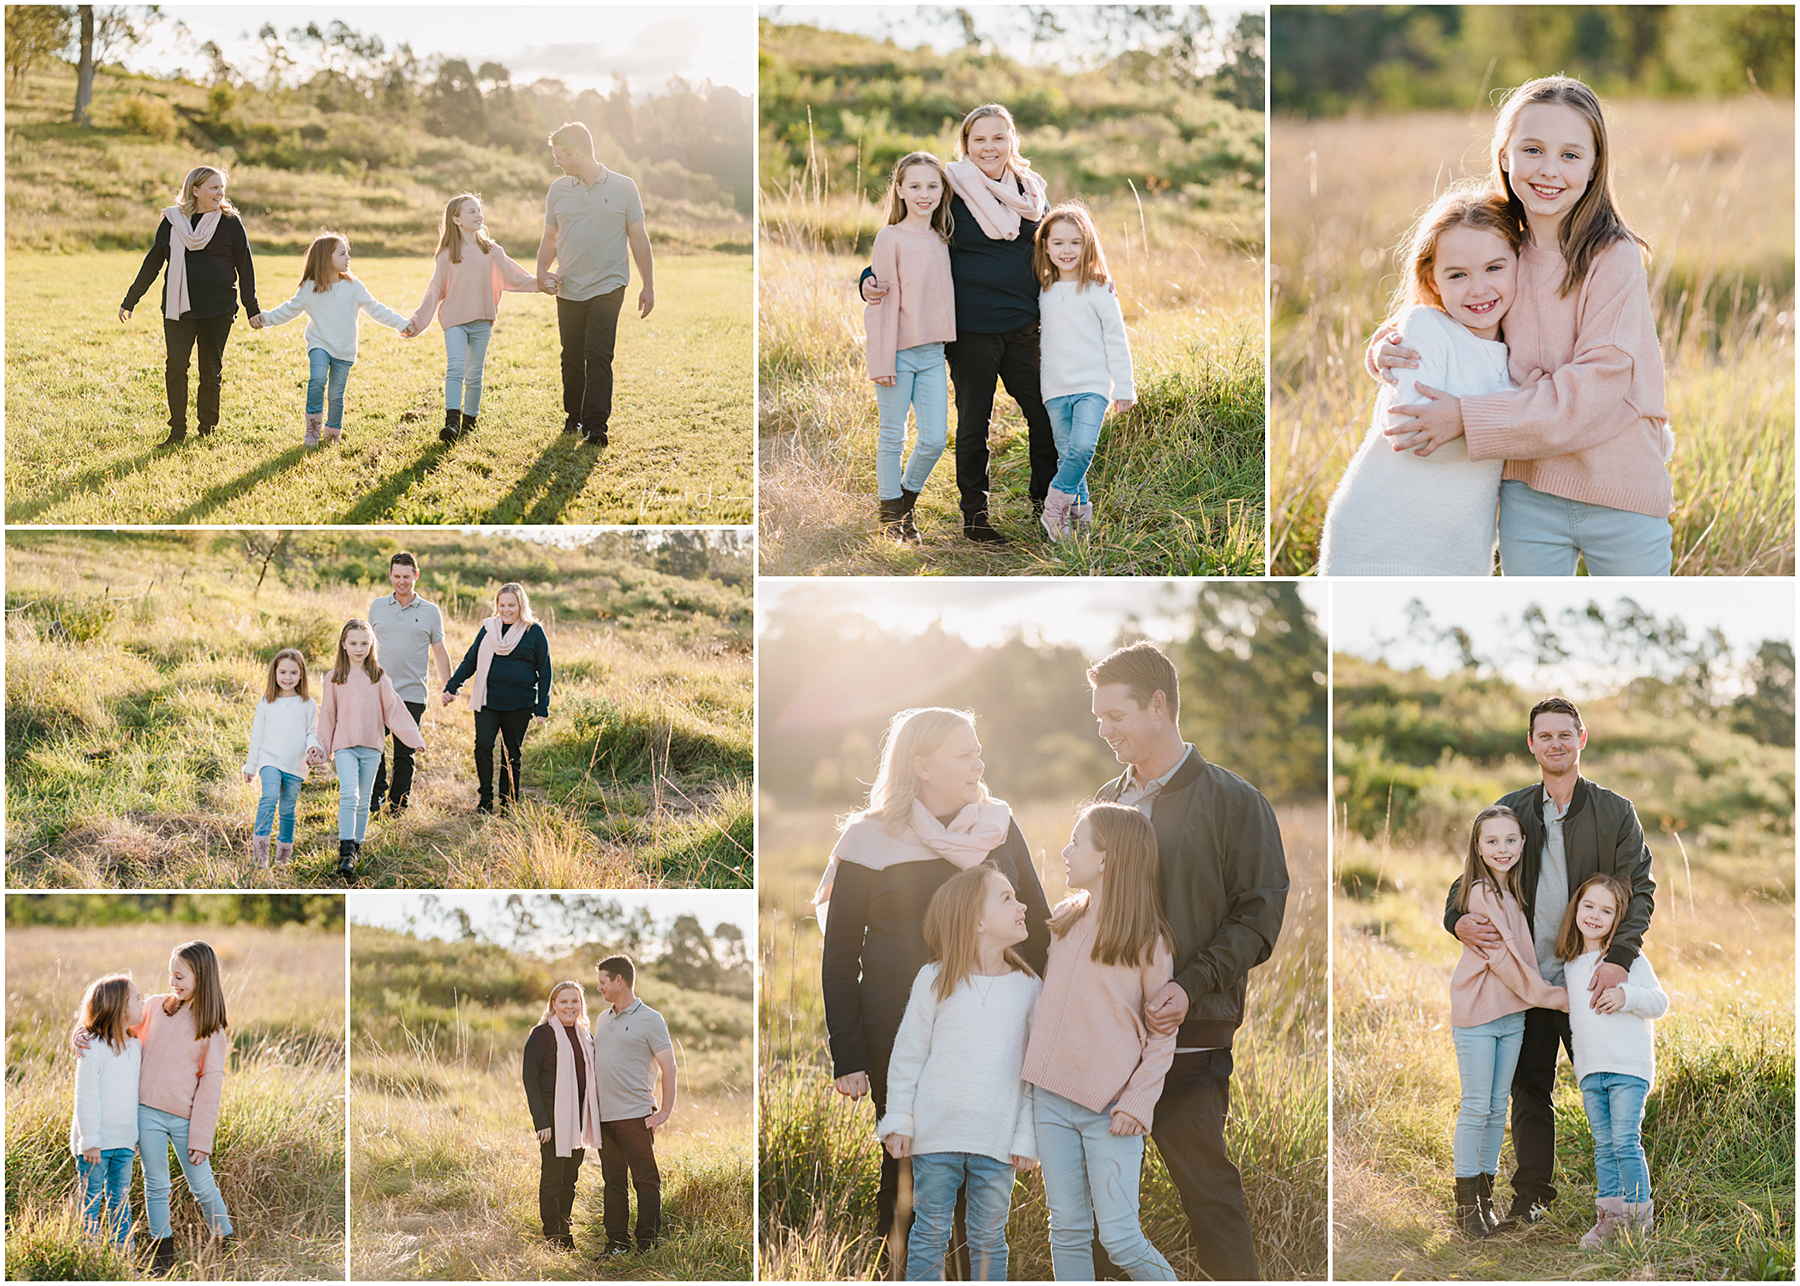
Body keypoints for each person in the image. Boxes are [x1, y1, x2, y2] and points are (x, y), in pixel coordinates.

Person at [1370, 76, 1675, 576]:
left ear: (1596, 163)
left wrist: (1467, 419)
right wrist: (1391, 346)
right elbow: (1447, 311)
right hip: (1526, 496)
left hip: (1620, 492)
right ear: (1505, 155)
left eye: (1571, 155)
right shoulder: (1498, 244)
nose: (1549, 170)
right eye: (1532, 149)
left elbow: (1597, 386)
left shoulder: (1613, 257)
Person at [817, 706, 1053, 1275]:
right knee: (906, 1177)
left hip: (994, 1037)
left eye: (978, 752)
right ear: (920, 766)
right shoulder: (869, 841)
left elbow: (1040, 929)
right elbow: (841, 954)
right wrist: (847, 1054)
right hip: (901, 1039)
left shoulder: (997, 826)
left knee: (983, 1182)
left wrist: (1053, 1031)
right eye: (963, 755)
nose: (979, 764)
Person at [1087, 641, 1289, 1281]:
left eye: (1115, 716)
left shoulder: (1235, 801)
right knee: (1105, 1205)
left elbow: (1258, 917)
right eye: (1098, 719)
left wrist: (1190, 985)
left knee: (1207, 1190)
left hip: (1190, 1031)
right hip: (1107, 1034)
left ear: (1158, 705)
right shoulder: (1106, 799)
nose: (1105, 730)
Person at [1442, 695, 1657, 1227]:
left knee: (1605, 1087)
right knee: (1530, 1088)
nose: (1556, 744)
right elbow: (1473, 871)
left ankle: (1626, 1204)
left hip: (1591, 980)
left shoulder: (1614, 811)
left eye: (1566, 734)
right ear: (1532, 744)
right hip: (1529, 980)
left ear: (1581, 740)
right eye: (1545, 735)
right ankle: (1532, 1194)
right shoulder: (1514, 810)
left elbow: (1641, 889)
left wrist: (1620, 961)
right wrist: (1455, 918)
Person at [862, 104, 1060, 543]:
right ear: (965, 145)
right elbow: (905, 236)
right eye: (979, 139)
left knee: (1044, 414)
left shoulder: (1032, 193)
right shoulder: (953, 188)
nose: (989, 147)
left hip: (1025, 325)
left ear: (1012, 141)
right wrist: (867, 280)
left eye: (998, 138)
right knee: (975, 424)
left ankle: (1046, 505)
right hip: (970, 330)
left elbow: (1056, 247)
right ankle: (975, 519)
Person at [1319, 187, 1521, 574]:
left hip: (1457, 555)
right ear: (1432, 282)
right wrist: (1486, 419)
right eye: (1457, 274)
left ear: (1520, 262)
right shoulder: (1427, 327)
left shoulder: (1522, 347)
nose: (1479, 288)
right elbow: (1408, 428)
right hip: (1380, 544)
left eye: (1494, 268)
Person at [1021, 803, 1177, 1280]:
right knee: (1066, 1230)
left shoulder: (1149, 942)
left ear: (1107, 858)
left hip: (1110, 1113)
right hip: (1050, 1101)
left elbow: (1162, 1034)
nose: (1066, 851)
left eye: (1076, 842)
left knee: (1121, 1239)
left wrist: (1138, 1101)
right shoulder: (1066, 919)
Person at [877, 864, 1043, 1281]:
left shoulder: (1029, 987)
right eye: (1006, 898)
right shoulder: (933, 980)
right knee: (930, 1229)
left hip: (998, 1140)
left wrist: (1026, 1135)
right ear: (977, 920)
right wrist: (899, 1119)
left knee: (989, 1236)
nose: (1022, 905)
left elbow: (1032, 1075)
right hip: (936, 1135)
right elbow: (908, 1056)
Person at [1446, 805, 1568, 1239]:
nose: (1502, 849)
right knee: (1477, 1106)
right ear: (1477, 847)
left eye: (1510, 840)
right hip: (1479, 1015)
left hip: (1512, 1016)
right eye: (1491, 841)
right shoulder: (1478, 893)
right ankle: (1466, 1207)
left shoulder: (1514, 895)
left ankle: (1486, 1201)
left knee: (1498, 1110)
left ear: (1522, 844)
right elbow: (1506, 963)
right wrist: (1556, 998)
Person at [76, 942, 234, 1273]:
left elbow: (210, 1087)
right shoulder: (155, 1007)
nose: (172, 983)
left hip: (185, 1121)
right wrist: (80, 1032)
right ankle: (163, 1253)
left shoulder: (212, 1029)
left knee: (201, 1184)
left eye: (180, 976)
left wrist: (201, 1136)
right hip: (145, 1114)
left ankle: (227, 1243)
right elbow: (112, 1025)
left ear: (201, 977)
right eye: (170, 975)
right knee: (156, 1183)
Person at [1554, 873, 1669, 1249]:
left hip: (1628, 1068)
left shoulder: (1628, 959)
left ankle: (1638, 1221)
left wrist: (1626, 996)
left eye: (1606, 910)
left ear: (1618, 919)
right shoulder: (1570, 964)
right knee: (1602, 1145)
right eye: (1588, 906)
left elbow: (1659, 1002)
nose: (1594, 915)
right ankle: (1609, 1221)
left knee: (1624, 1140)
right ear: (1575, 909)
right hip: (1590, 1072)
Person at [118, 165, 260, 448]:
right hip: (178, 309)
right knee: (176, 368)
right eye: (213, 188)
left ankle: (207, 428)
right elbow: (153, 262)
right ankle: (177, 432)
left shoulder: (230, 223)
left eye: (222, 187)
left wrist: (251, 307)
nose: (220, 193)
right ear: (195, 190)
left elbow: (245, 266)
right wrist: (131, 299)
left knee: (210, 370)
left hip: (218, 309)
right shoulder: (172, 222)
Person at [537, 122, 655, 447]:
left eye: (559, 156)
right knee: (571, 356)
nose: (557, 162)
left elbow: (639, 239)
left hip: (609, 284)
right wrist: (541, 271)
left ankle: (595, 426)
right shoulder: (558, 190)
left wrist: (648, 285)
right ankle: (573, 418)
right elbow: (550, 237)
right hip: (569, 285)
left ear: (577, 152)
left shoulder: (624, 187)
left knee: (598, 354)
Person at [401, 193, 548, 443]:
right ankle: (452, 421)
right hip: (455, 321)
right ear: (456, 220)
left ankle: (470, 420)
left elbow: (517, 277)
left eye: (479, 210)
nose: (478, 215)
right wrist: (417, 321)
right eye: (471, 211)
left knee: (475, 373)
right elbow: (434, 291)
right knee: (456, 368)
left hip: (482, 322)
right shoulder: (446, 255)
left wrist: (545, 283)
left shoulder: (493, 251)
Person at [866, 150, 958, 544]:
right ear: (900, 190)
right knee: (893, 436)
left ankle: (904, 503)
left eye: (932, 186)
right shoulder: (890, 238)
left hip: (933, 354)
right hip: (898, 354)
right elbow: (881, 303)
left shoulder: (942, 237)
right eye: (915, 186)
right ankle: (892, 520)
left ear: (942, 191)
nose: (924, 194)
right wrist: (883, 358)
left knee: (936, 438)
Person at [1032, 202, 1135, 541]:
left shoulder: (1100, 288)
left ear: (1088, 244)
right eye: (1058, 242)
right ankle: (1078, 524)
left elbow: (1116, 338)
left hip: (1092, 385)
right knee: (1067, 455)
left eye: (1075, 242)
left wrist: (1124, 386)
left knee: (1081, 450)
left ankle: (1053, 507)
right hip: (1055, 389)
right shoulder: (1042, 290)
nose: (1067, 250)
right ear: (1045, 245)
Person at [252, 231, 408, 446]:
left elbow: (376, 309)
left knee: (336, 394)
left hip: (344, 348)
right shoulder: (310, 288)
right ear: (327, 259)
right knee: (317, 379)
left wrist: (402, 324)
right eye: (342, 254)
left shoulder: (354, 286)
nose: (348, 258)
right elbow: (288, 310)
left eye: (347, 253)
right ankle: (313, 430)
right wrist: (265, 319)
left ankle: (333, 432)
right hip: (320, 344)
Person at [316, 618, 425, 879]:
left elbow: (395, 710)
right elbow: (327, 715)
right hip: (345, 747)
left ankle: (357, 847)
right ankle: (345, 852)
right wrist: (321, 748)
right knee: (349, 796)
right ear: (343, 644)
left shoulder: (378, 677)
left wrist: (414, 738)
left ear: (371, 645)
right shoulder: (334, 678)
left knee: (364, 801)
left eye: (364, 643)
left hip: (372, 748)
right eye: (353, 643)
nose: (359, 648)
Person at [591, 955, 676, 1256]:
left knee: (645, 1181)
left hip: (636, 1117)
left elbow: (669, 1066)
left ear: (619, 980)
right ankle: (616, 1243)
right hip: (604, 1117)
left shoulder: (651, 1019)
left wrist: (664, 1111)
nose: (599, 987)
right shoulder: (602, 1019)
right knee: (613, 1182)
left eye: (603, 981)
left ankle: (647, 1246)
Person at [443, 582, 552, 815]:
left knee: (511, 753)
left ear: (521, 604)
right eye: (502, 605)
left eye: (511, 605)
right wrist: (452, 686)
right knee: (483, 745)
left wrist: (542, 706)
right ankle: (484, 800)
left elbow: (545, 671)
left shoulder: (534, 632)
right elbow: (470, 660)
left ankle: (508, 804)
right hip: (488, 701)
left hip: (519, 704)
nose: (506, 610)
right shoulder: (489, 629)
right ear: (497, 606)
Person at [367, 552, 451, 818]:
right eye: (396, 576)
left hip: (412, 693)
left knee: (405, 754)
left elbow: (439, 651)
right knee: (373, 746)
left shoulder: (430, 612)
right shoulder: (378, 607)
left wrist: (448, 686)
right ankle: (376, 792)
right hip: (377, 690)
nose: (401, 581)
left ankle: (398, 805)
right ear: (390, 576)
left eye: (406, 576)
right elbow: (365, 648)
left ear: (416, 575)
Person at [522, 980, 602, 1250]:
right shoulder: (542, 1034)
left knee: (571, 1177)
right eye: (564, 1001)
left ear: (581, 1005)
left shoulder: (585, 1036)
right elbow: (530, 1079)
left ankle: (565, 1230)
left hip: (579, 1117)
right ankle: (552, 1235)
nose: (570, 1006)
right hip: (553, 1117)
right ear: (553, 1004)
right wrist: (541, 1122)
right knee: (553, 1176)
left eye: (575, 1001)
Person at [68, 971, 144, 1249]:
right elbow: (85, 1097)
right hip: (95, 1145)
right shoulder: (92, 1048)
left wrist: (133, 1137)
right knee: (90, 1201)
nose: (143, 1002)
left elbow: (132, 1096)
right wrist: (89, 1142)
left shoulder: (136, 1046)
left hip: (124, 1142)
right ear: (119, 1008)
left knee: (121, 1200)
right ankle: (86, 1256)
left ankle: (123, 1257)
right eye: (137, 998)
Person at [240, 647, 323, 867]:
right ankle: (260, 858)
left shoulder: (308, 704)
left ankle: (283, 858)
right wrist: (251, 765)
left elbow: (312, 733)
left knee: (287, 809)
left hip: (295, 764)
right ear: (275, 674)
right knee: (269, 797)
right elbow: (257, 735)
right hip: (270, 760)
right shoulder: (267, 702)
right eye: (283, 672)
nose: (288, 678)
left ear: (301, 674)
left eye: (293, 673)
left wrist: (313, 748)